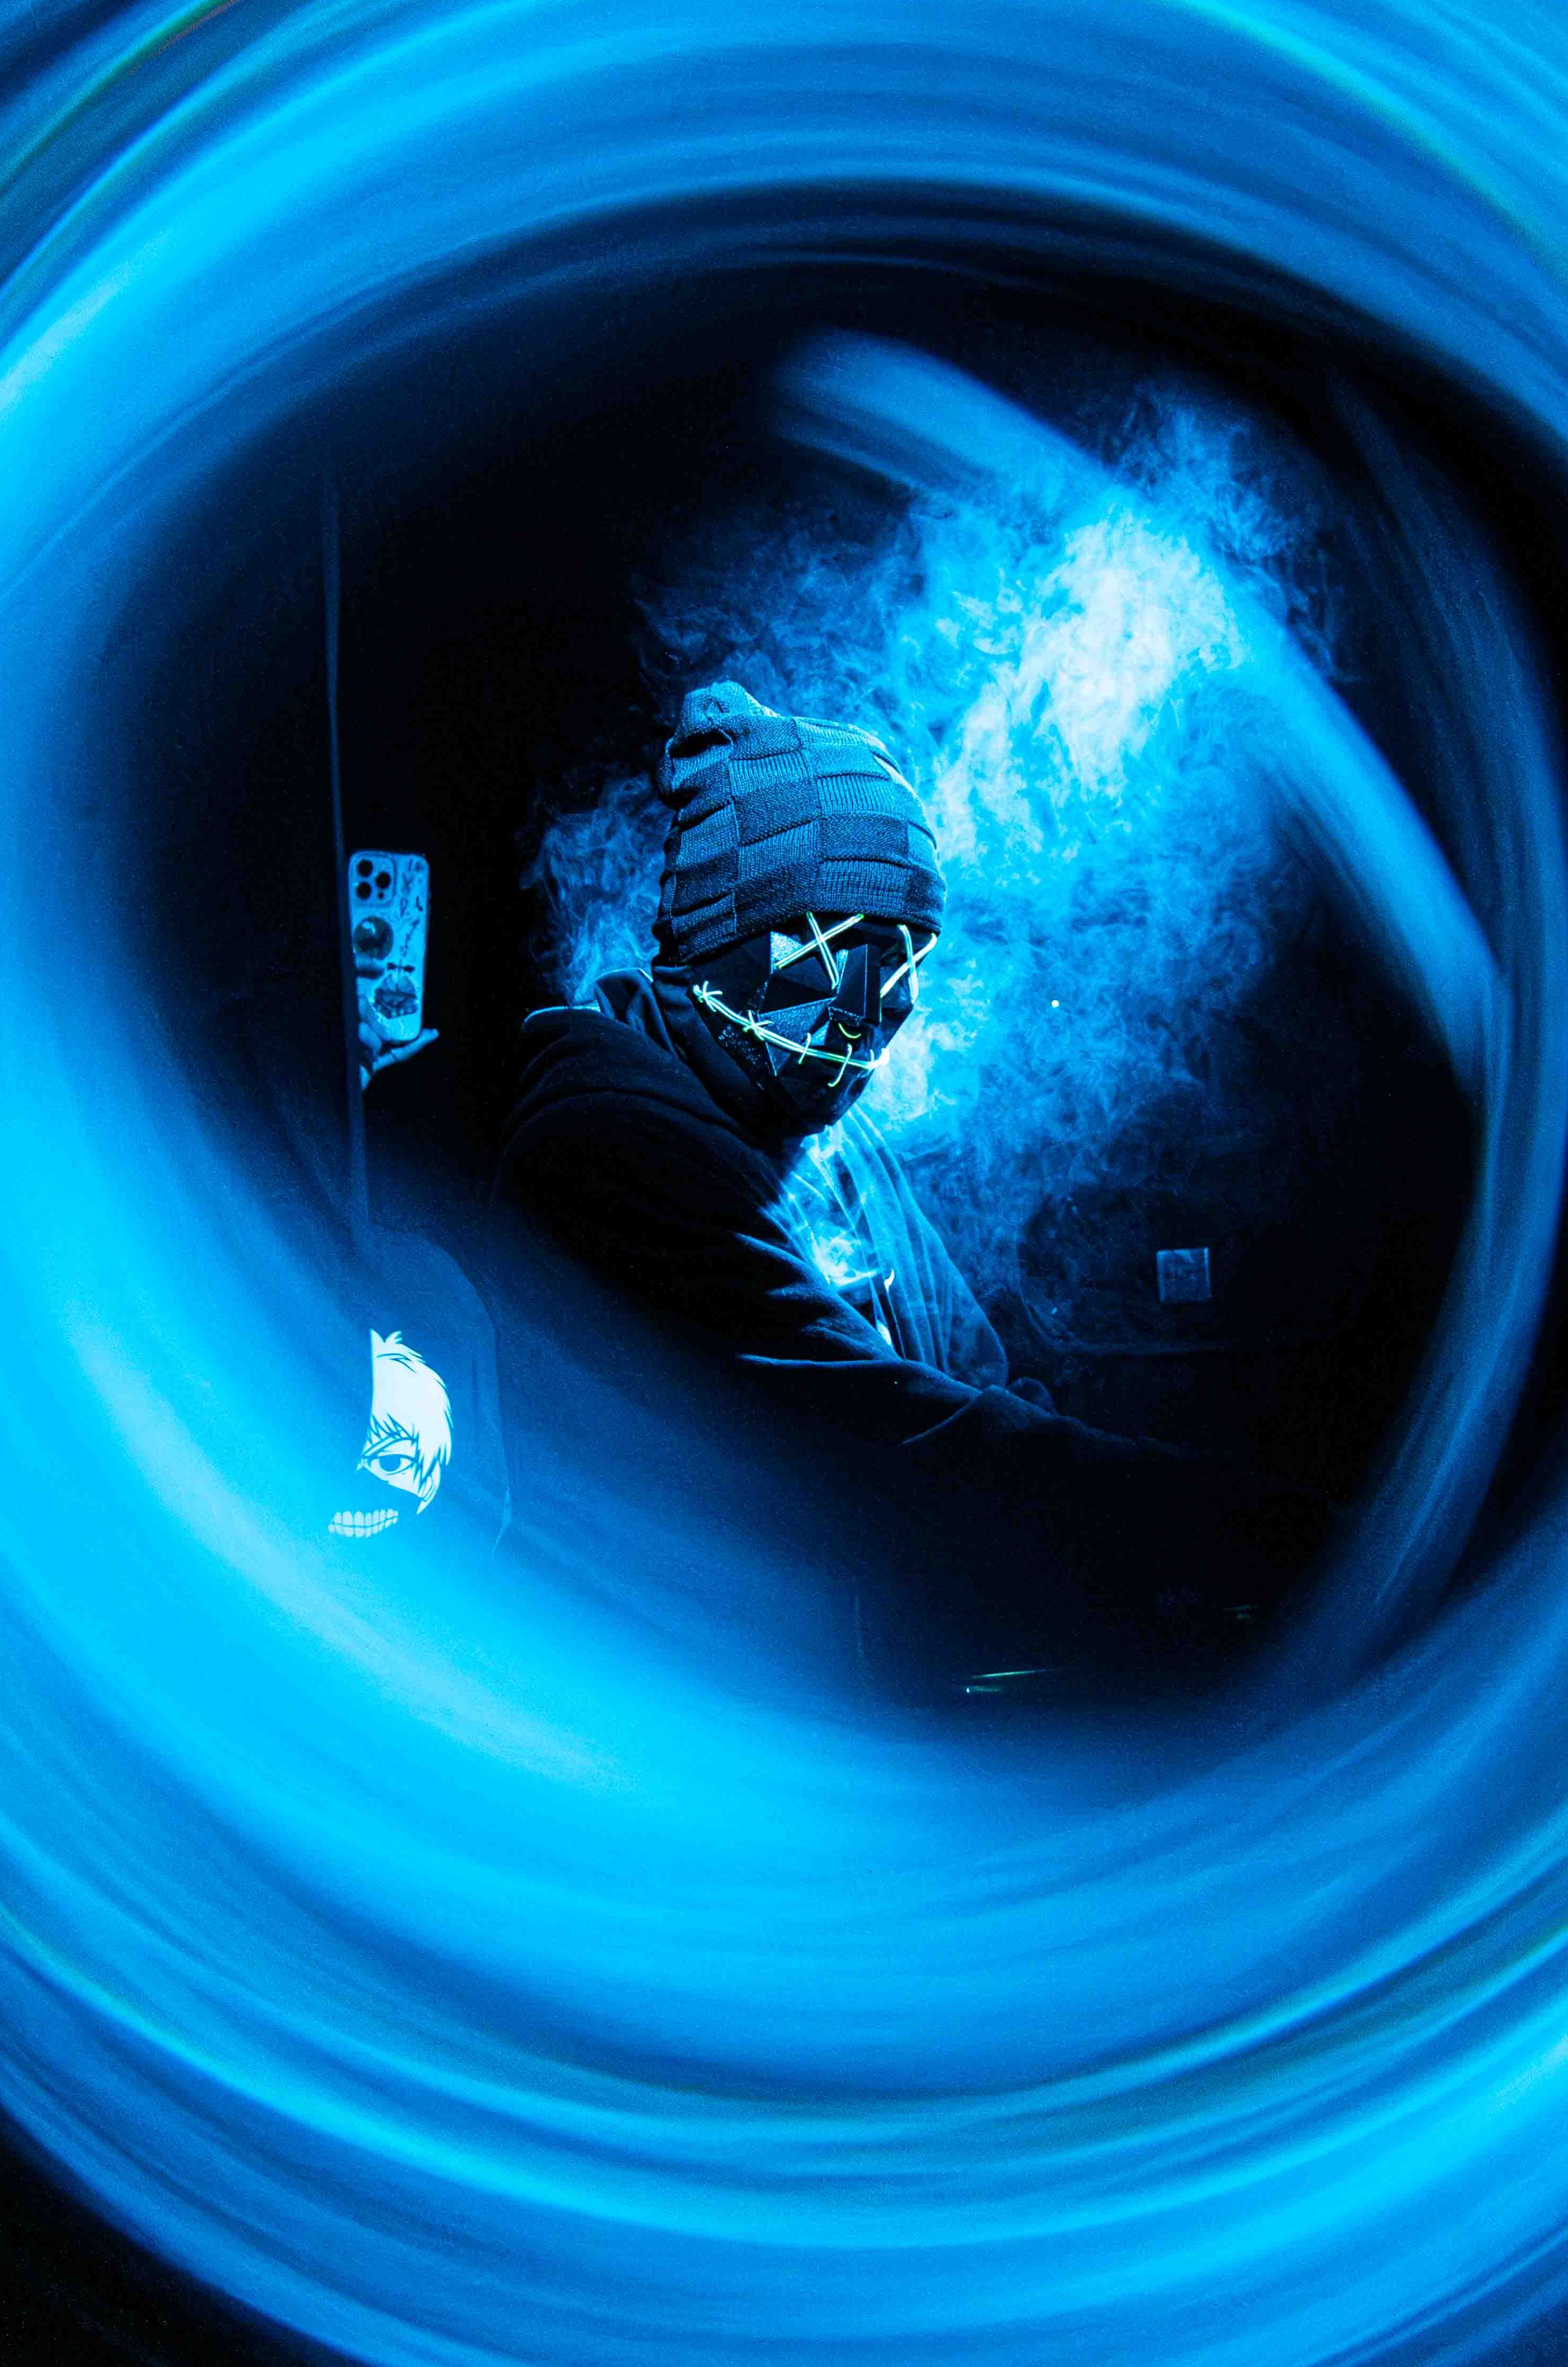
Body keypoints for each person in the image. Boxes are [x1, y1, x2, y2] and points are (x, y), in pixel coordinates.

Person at [492, 681, 1265, 1684]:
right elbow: (901, 1446)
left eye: (904, 963)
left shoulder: (821, 1131)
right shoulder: (604, 1153)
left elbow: (978, 1377)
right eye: (849, 954)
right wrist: (1252, 1530)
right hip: (692, 1715)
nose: (886, 1011)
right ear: (729, 947)